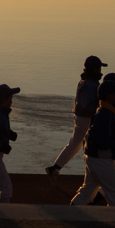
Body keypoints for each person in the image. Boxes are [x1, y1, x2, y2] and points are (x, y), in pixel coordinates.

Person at [45, 56, 105, 185]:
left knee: (76, 144)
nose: (101, 71)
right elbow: (87, 105)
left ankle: (55, 168)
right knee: (90, 145)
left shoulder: (84, 81)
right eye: (99, 68)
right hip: (86, 118)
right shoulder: (91, 83)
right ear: (94, 69)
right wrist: (101, 107)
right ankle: (92, 174)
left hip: (80, 117)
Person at [70, 79, 115, 206]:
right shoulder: (107, 114)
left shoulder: (104, 110)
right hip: (100, 159)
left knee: (87, 192)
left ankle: (70, 213)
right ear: (110, 96)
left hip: (93, 158)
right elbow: (97, 137)